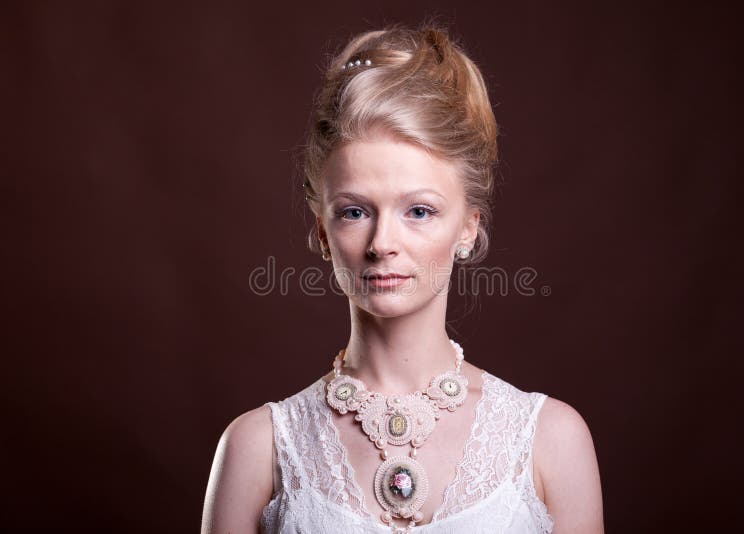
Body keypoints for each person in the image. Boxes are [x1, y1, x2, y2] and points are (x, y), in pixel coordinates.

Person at [201, 24, 603, 534]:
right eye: (353, 212)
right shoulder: (256, 448)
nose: (382, 242)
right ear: (323, 232)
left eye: (418, 210)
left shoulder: (550, 440)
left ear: (467, 227)